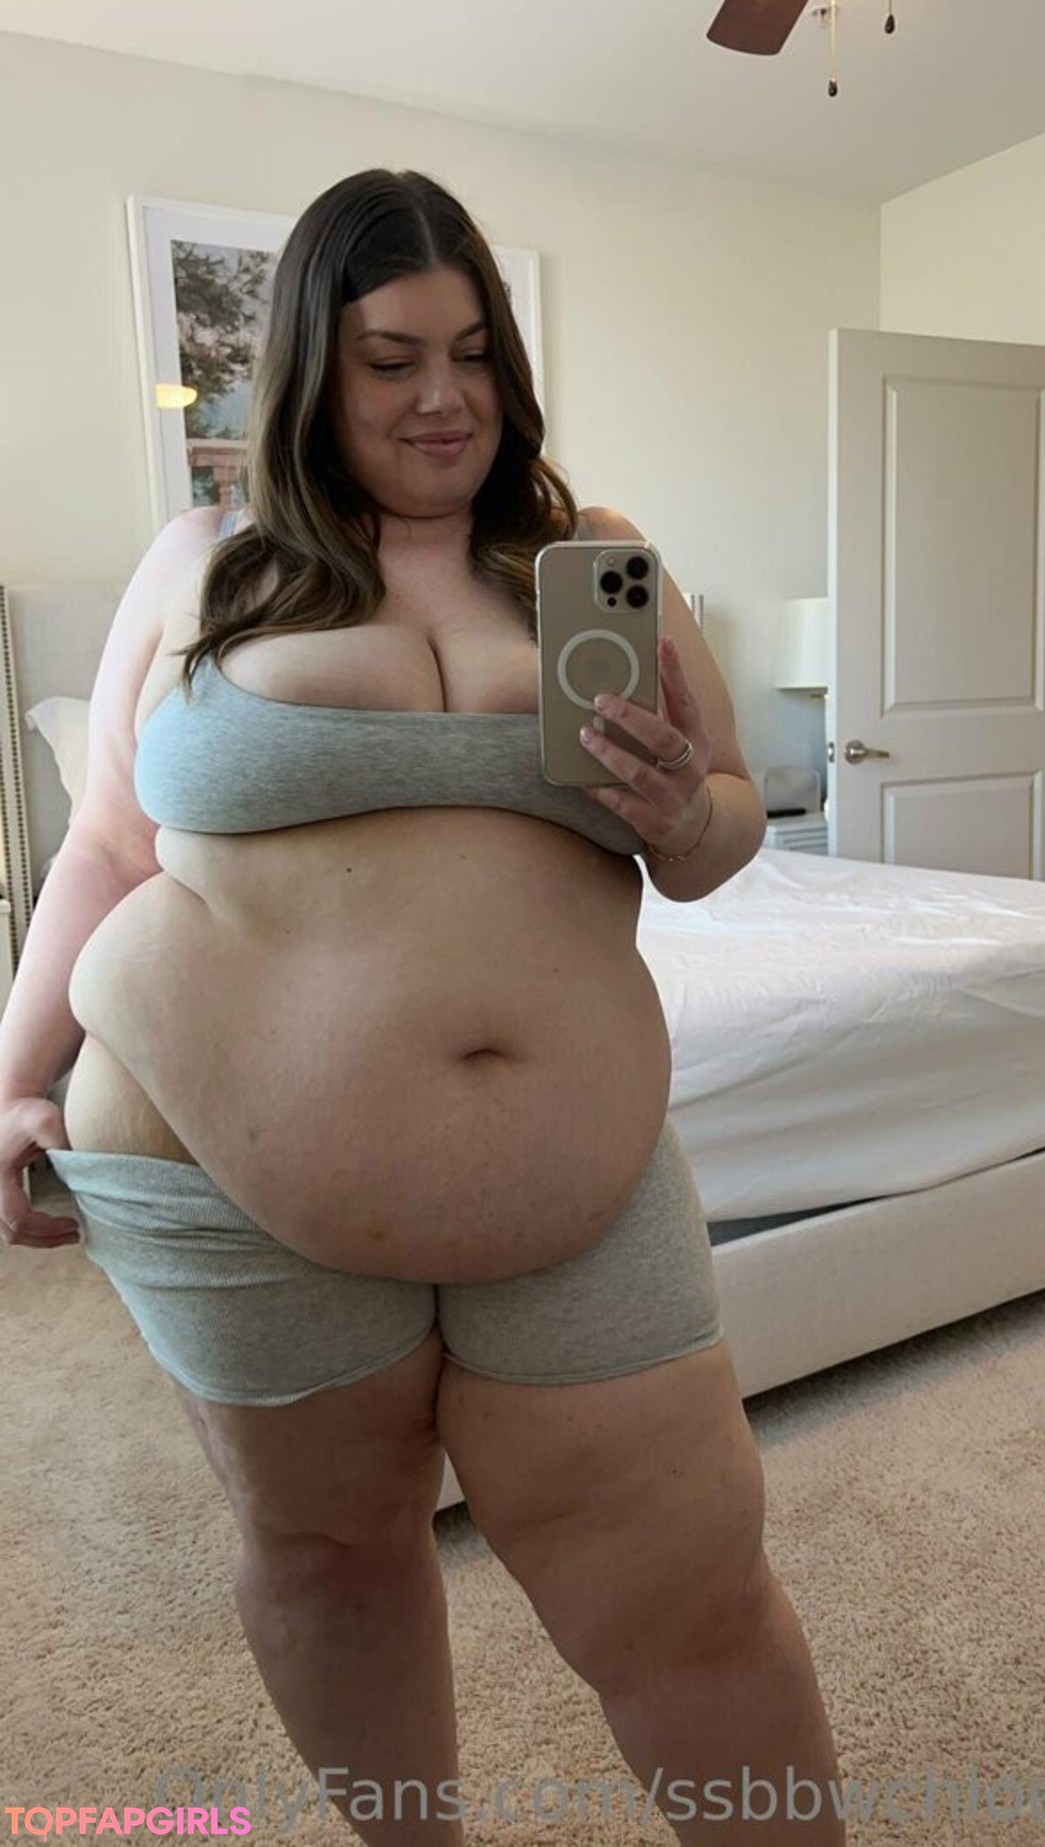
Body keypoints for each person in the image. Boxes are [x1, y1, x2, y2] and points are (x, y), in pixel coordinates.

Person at [0, 170, 844, 1844]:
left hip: (573, 1178)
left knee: (690, 1588)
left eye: (472, 354)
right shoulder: (205, 565)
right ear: (312, 367)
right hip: (219, 1171)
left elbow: (727, 820)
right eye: (391, 360)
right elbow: (105, 842)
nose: (442, 398)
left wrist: (683, 815)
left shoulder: (592, 558)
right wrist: (12, 1075)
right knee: (332, 1556)